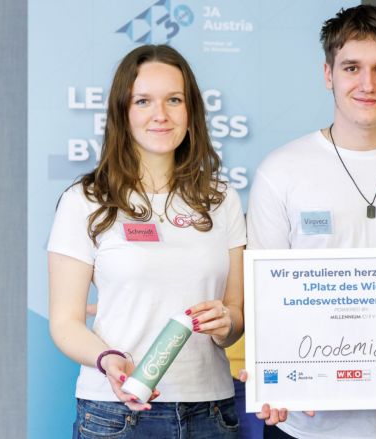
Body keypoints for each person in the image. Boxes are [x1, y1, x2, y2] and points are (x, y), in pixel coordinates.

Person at [229, 5, 376, 439]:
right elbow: (265, 293)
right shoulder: (280, 171)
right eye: (351, 67)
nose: (366, 83)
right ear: (328, 74)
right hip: (305, 424)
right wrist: (271, 373)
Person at [48, 44, 246, 439]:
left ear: (191, 111)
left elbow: (237, 313)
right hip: (115, 412)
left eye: (174, 99)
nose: (161, 114)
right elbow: (65, 322)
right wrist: (107, 360)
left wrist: (226, 324)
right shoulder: (84, 201)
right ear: (123, 112)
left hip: (210, 411)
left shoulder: (221, 198)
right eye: (143, 101)